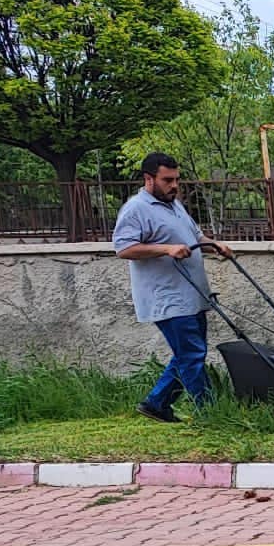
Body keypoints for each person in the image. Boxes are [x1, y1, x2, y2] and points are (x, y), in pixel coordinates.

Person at [113, 152, 231, 422]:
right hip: (167, 298)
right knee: (192, 354)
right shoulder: (136, 209)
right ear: (148, 179)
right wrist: (166, 249)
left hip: (192, 295)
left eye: (176, 179)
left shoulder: (173, 205)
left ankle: (156, 403)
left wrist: (214, 245)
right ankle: (210, 413)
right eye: (167, 180)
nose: (174, 185)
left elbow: (195, 235)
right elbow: (124, 248)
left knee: (188, 353)